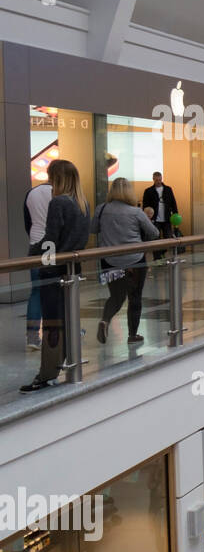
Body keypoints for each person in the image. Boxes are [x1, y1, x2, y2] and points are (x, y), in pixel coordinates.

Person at [21, 160, 90, 393]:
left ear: (56, 178)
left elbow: (50, 240)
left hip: (54, 270)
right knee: (68, 319)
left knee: (52, 323)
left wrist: (33, 253)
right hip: (72, 269)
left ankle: (47, 373)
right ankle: (70, 363)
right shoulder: (83, 202)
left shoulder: (58, 203)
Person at [91, 178, 160, 346]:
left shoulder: (101, 209)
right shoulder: (136, 212)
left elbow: (93, 229)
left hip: (109, 261)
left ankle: (105, 320)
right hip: (134, 261)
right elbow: (154, 233)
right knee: (134, 297)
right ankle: (133, 335)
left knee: (116, 296)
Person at [23, 176, 53, 349]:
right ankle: (64, 329)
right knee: (58, 289)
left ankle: (33, 336)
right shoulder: (60, 194)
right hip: (53, 247)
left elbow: (28, 222)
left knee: (36, 290)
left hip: (35, 244)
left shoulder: (31, 193)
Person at [141, 170, 179, 261]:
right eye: (156, 180)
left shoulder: (168, 189)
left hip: (166, 219)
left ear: (162, 179)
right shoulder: (148, 191)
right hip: (155, 220)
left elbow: (173, 203)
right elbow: (145, 205)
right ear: (153, 179)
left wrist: (175, 214)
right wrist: (147, 217)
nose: (158, 181)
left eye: (160, 179)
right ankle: (157, 259)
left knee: (168, 239)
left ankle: (162, 252)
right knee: (155, 240)